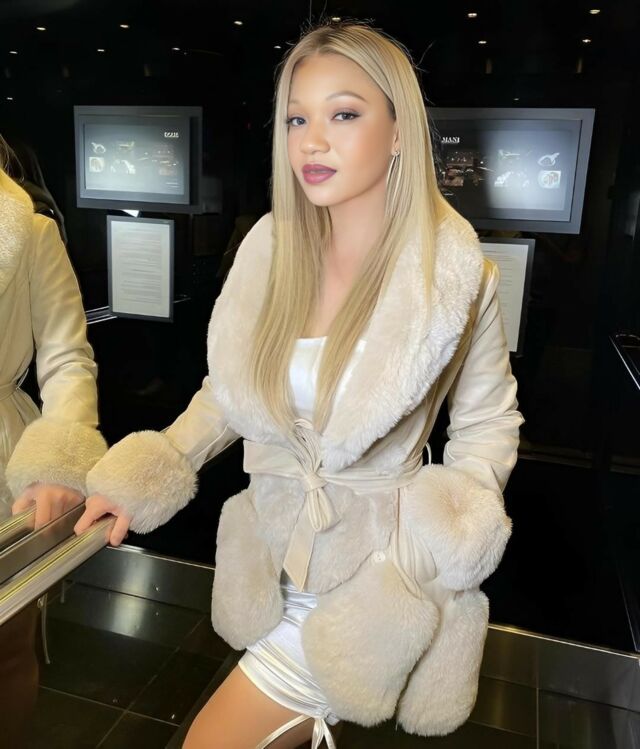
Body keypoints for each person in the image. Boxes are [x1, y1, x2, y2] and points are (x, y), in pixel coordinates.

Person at [74, 19, 524, 749]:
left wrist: (430, 549)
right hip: (275, 556)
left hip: (373, 577)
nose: (312, 142)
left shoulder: (453, 276)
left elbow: (488, 423)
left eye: (343, 114)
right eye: (296, 119)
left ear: (399, 131)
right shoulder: (271, 249)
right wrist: (151, 471)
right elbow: (229, 394)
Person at [0, 137, 107, 746]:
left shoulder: (30, 230)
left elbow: (68, 358)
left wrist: (60, 462)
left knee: (7, 644)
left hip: (3, 455)